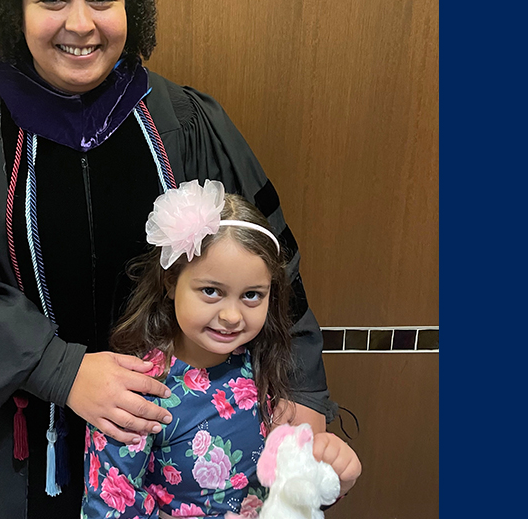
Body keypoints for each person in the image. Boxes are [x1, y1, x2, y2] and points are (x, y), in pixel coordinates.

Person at [0, 0, 345, 518]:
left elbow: (264, 264)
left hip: (176, 450)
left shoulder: (185, 124)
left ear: (129, 11)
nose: (81, 23)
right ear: (15, 11)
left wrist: (300, 384)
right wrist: (61, 369)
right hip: (9, 444)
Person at [82, 181, 360, 518]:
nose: (231, 316)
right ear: (171, 282)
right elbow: (110, 507)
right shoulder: (136, 393)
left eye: (252, 295)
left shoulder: (263, 366)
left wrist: (332, 476)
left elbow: (289, 491)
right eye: (211, 291)